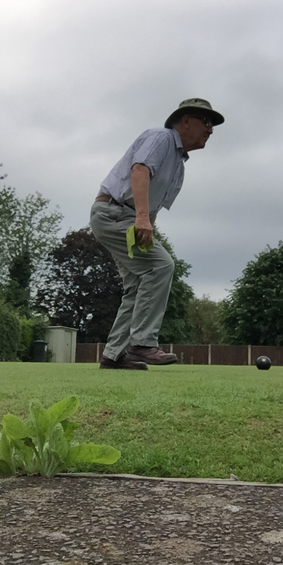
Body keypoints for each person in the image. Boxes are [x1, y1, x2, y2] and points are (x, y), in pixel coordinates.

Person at [90, 98, 224, 369]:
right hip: (114, 213)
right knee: (162, 265)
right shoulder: (161, 138)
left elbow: (154, 207)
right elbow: (139, 171)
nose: (210, 130)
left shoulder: (179, 164)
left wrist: (146, 223)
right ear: (185, 120)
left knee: (137, 285)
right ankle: (142, 343)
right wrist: (140, 218)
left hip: (127, 217)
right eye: (206, 122)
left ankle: (113, 355)